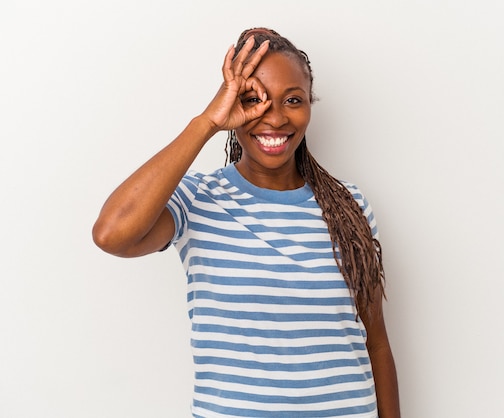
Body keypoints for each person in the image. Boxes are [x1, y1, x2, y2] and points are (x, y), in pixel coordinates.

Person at [92, 27, 400, 418]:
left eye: (293, 100)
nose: (274, 117)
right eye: (253, 100)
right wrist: (206, 122)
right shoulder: (198, 198)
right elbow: (111, 233)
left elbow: (376, 344)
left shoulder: (349, 207)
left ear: (309, 105)